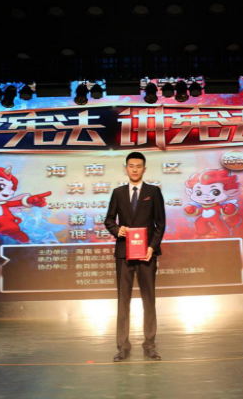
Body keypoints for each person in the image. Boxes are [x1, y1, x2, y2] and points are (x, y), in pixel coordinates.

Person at [104, 152, 166, 362]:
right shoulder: (118, 193)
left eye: (138, 166)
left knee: (149, 299)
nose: (135, 169)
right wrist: (117, 230)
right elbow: (109, 220)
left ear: (144, 169)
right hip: (124, 253)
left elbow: (160, 223)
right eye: (131, 166)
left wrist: (152, 247)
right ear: (126, 168)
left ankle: (150, 345)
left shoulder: (153, 192)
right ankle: (122, 347)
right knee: (123, 301)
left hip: (146, 254)